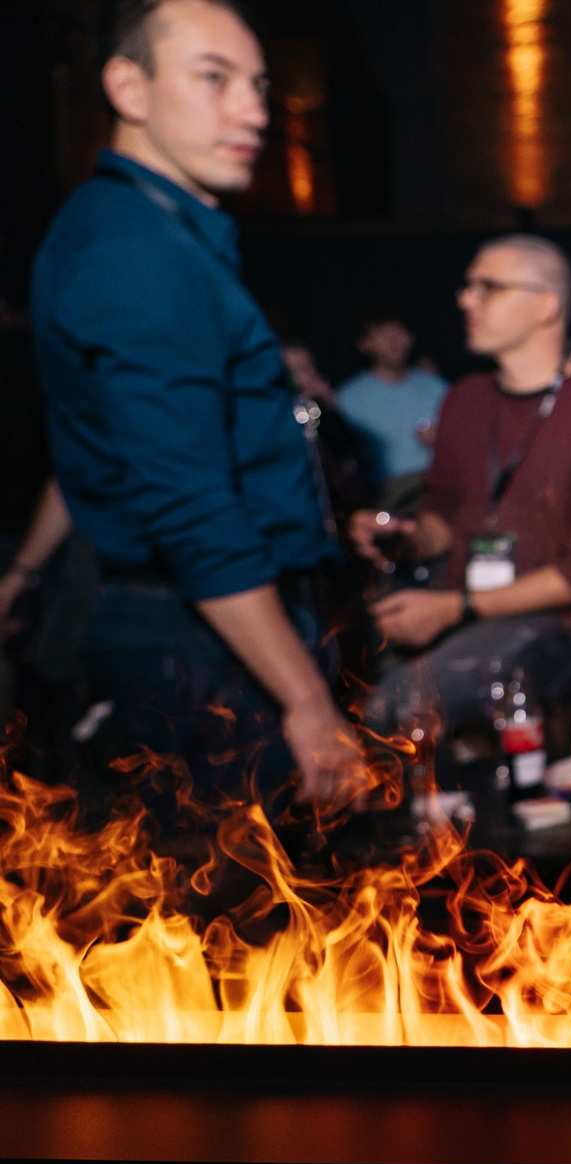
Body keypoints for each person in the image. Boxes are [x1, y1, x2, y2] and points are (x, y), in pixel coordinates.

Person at [30, 0, 364, 810]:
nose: (254, 112)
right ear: (129, 88)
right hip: (200, 645)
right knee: (244, 885)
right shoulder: (138, 250)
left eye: (258, 85)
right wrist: (304, 697)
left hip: (208, 631)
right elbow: (189, 508)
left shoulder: (151, 230)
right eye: (214, 79)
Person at [349, 235, 571, 740]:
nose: (467, 300)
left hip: (557, 625)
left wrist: (456, 608)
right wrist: (404, 535)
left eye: (488, 287)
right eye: (467, 287)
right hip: (460, 606)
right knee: (346, 674)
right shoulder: (464, 400)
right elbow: (444, 516)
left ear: (545, 305)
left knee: (402, 704)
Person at [335, 306, 447, 505]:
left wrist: (444, 437)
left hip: (438, 486)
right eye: (383, 335)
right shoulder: (348, 398)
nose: (393, 341)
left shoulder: (435, 386)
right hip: (386, 495)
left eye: (398, 333)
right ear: (364, 344)